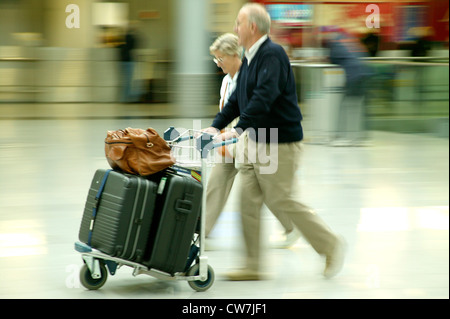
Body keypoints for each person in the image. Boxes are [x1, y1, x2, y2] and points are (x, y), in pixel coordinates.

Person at [203, 3, 346, 280]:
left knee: (282, 200)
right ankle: (253, 265)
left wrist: (239, 127)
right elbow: (238, 100)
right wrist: (216, 125)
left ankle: (330, 245)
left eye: (238, 23)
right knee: (247, 203)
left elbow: (264, 97)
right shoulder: (250, 58)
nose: (235, 28)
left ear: (252, 27)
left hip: (277, 143)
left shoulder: (273, 54)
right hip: (254, 143)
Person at [206, 33, 299, 249]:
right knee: (216, 183)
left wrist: (235, 135)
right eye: (216, 59)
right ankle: (204, 231)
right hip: (233, 142)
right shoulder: (226, 80)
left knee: (269, 189)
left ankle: (291, 227)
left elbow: (257, 111)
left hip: (258, 139)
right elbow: (228, 110)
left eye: (221, 58)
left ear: (234, 55)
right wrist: (217, 129)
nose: (218, 64)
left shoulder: (252, 76)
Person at [322, 26, 372, 146]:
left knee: (344, 106)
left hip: (353, 75)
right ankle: (360, 137)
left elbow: (333, 59)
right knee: (360, 106)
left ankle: (341, 137)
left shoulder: (335, 44)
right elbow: (363, 53)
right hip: (365, 73)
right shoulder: (350, 40)